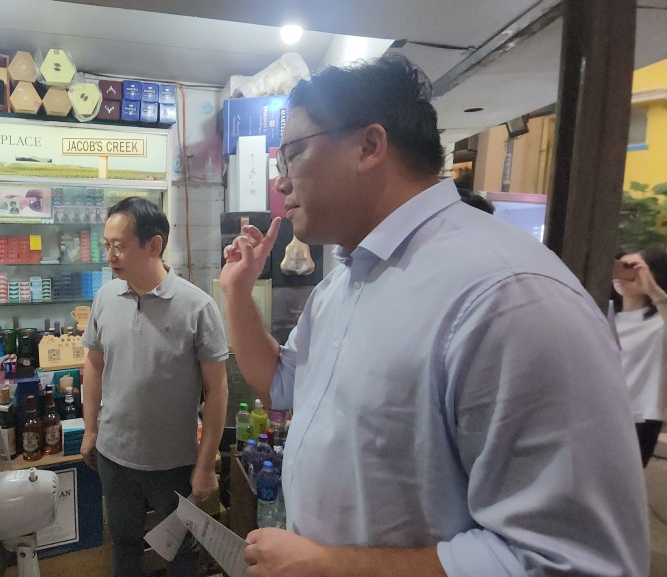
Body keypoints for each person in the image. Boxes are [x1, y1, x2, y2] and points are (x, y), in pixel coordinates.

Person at [219, 55, 648, 576]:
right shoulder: (343, 284)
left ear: (368, 146)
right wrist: (237, 293)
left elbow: (572, 561)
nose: (281, 181)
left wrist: (334, 566)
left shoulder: (508, 294)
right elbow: (283, 386)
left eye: (293, 154)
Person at [80, 197, 229, 577]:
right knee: (124, 544)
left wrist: (206, 465)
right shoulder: (105, 297)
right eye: (106, 245)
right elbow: (93, 365)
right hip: (114, 457)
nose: (110, 256)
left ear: (154, 244)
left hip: (174, 464)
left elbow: (217, 390)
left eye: (119, 245)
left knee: (181, 552)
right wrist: (91, 429)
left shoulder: (197, 307)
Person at [613, 247, 667, 467]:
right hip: (600, 411)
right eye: (619, 266)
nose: (622, 274)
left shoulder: (659, 322)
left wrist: (653, 290)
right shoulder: (603, 314)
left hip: (639, 416)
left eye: (631, 268)